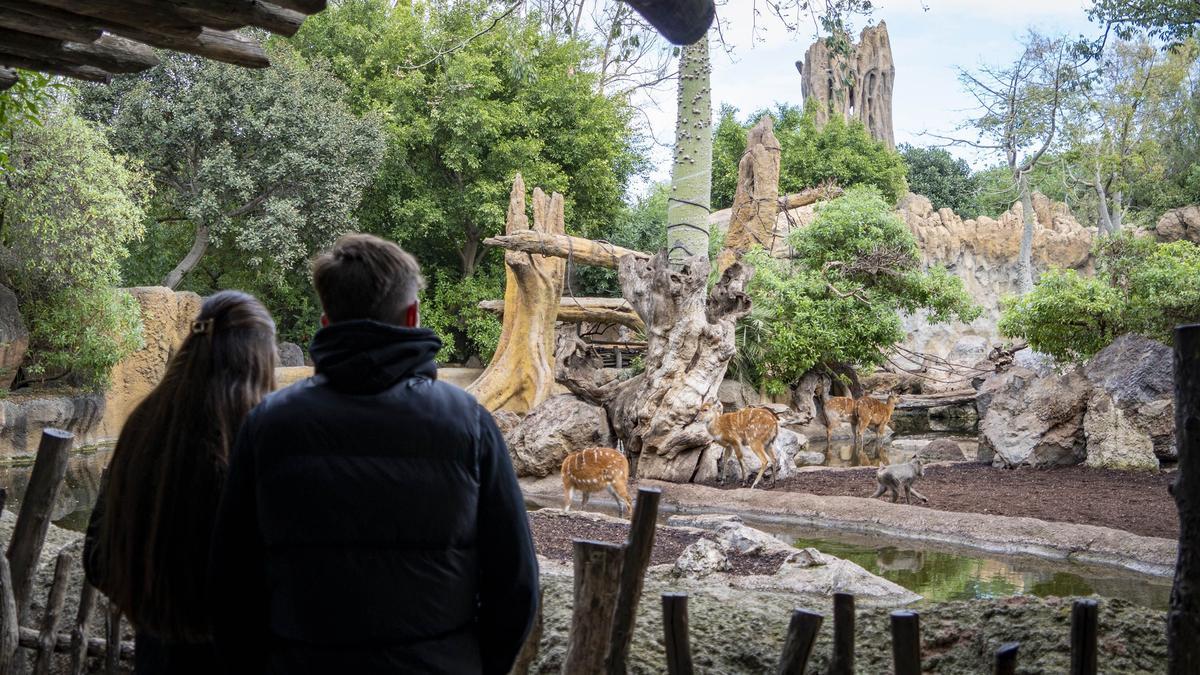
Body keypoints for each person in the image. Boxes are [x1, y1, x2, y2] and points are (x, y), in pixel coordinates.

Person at [210, 233, 538, 674]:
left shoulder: (268, 424)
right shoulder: (468, 423)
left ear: (325, 322)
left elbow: (229, 584)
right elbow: (516, 584)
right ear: (412, 316)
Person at [84, 291, 277, 675]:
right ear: (260, 357)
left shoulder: (143, 425)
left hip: (158, 649)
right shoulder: (264, 439)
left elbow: (98, 557)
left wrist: (151, 601)